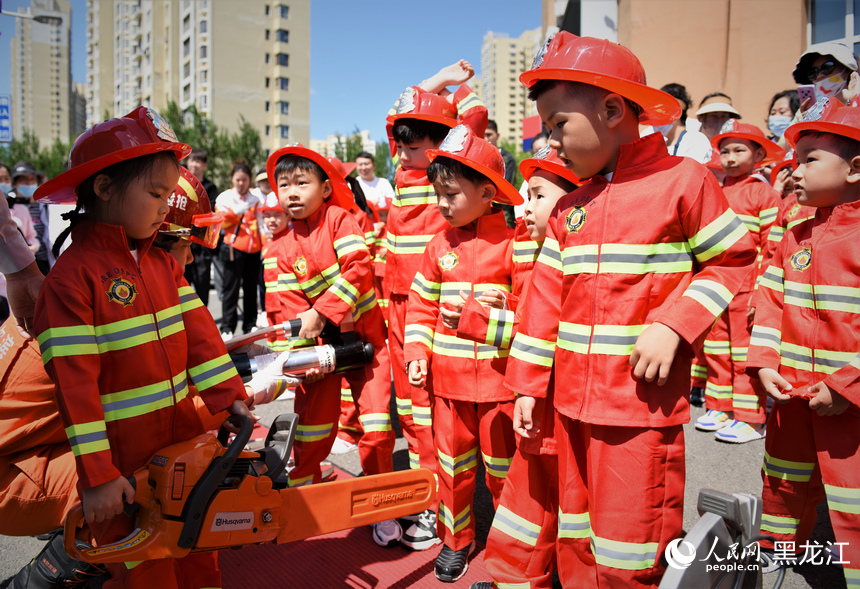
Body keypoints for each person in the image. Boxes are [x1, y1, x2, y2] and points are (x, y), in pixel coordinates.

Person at [504, 33, 757, 587]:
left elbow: (735, 262)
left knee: (632, 546)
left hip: (639, 413)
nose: (553, 142)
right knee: (576, 535)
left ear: (614, 110)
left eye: (558, 125)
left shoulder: (684, 182)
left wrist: (674, 323)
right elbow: (541, 306)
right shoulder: (569, 208)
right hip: (568, 408)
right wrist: (526, 386)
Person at [30, 107, 255, 588]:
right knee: (144, 574)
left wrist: (227, 396)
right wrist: (96, 476)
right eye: (156, 194)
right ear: (104, 188)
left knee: (198, 553)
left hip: (182, 453)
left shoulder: (161, 264)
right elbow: (75, 386)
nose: (162, 207)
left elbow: (200, 335)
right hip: (123, 473)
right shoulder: (71, 281)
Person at [747, 98, 860, 585]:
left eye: (810, 159)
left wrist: (846, 386)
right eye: (794, 161)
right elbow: (770, 300)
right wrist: (765, 362)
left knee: (853, 492)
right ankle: (777, 548)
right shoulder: (795, 230)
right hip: (792, 392)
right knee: (783, 478)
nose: (796, 172)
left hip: (850, 403)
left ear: (856, 168)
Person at [264, 144, 399, 545]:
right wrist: (299, 355)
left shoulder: (340, 220)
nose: (291, 193)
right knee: (311, 430)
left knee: (375, 429)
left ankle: (381, 506)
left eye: (301, 183)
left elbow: (359, 269)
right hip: (322, 350)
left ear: (325, 189)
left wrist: (321, 312)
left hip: (368, 343)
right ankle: (303, 498)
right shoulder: (281, 249)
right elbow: (290, 308)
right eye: (283, 185)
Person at [404, 127, 523, 582]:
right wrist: (417, 349)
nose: (441, 204)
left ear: (488, 192)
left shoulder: (514, 243)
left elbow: (534, 309)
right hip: (448, 385)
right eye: (437, 193)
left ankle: (508, 549)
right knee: (453, 472)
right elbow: (420, 305)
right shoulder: (439, 246)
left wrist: (505, 307)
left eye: (451, 194)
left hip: (500, 385)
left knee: (503, 472)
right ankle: (456, 542)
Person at [384, 60, 488, 551]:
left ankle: (439, 512)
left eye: (413, 145)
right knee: (411, 410)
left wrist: (451, 84)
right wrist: (432, 82)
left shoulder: (452, 167)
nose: (404, 153)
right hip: (397, 307)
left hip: (435, 304)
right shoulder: (404, 168)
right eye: (400, 145)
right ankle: (427, 501)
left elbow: (474, 114)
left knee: (434, 414)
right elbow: (397, 113)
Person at [469, 146, 578, 589]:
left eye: (536, 195)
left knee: (538, 502)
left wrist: (480, 319)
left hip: (553, 408)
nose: (523, 206)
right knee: (530, 503)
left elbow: (544, 332)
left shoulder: (564, 257)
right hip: (543, 404)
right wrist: (510, 304)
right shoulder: (543, 252)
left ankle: (522, 580)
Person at [694, 121, 784, 443]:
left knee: (745, 354)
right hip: (718, 284)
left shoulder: (765, 193)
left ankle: (751, 418)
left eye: (739, 150)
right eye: (725, 151)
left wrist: (760, 292)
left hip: (747, 287)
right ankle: (721, 406)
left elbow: (772, 247)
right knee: (717, 349)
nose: (729, 158)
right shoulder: (717, 189)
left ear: (759, 154)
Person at [214, 162, 265, 337]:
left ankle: (249, 325)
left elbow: (261, 224)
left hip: (253, 249)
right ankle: (227, 327)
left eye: (244, 180)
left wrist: (265, 246)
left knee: (251, 288)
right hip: (233, 248)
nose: (241, 183)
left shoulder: (255, 199)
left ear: (249, 180)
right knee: (231, 288)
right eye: (238, 180)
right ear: (232, 179)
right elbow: (220, 221)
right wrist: (235, 212)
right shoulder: (224, 198)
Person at [183, 150, 219, 307]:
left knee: (202, 289)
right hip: (181, 243)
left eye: (198, 161)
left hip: (201, 246)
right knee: (180, 286)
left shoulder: (210, 187)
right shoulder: (178, 184)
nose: (194, 164)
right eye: (191, 160)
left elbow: (209, 212)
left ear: (205, 165)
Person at [654, 83, 713, 164]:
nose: (655, 120)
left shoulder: (695, 140)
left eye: (661, 113)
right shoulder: (661, 147)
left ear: (676, 113)